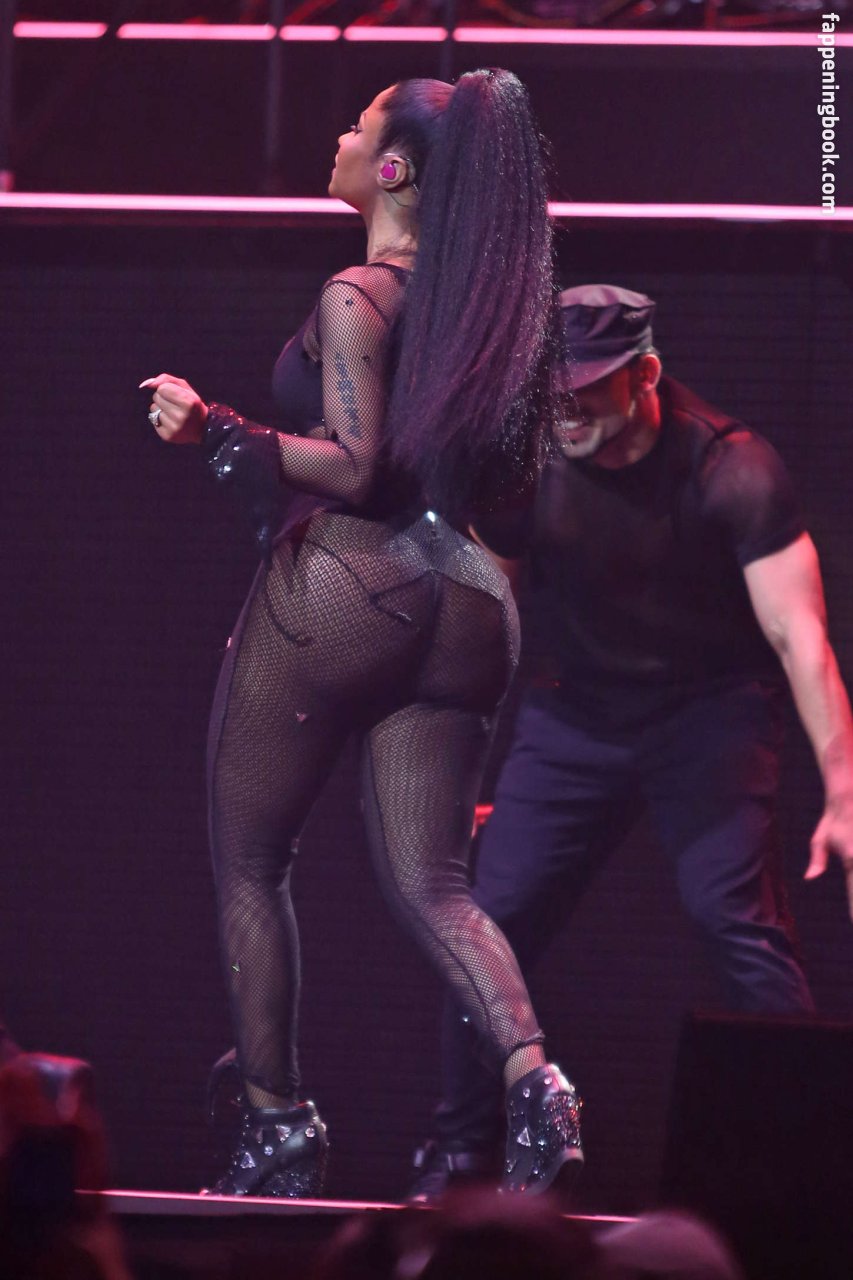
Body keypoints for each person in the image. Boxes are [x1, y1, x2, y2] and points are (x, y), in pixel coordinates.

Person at [139, 71, 583, 1198]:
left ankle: (276, 1123)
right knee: (438, 887)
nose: (335, 136)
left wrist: (215, 428)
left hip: (349, 583)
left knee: (251, 859)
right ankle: (536, 1083)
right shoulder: (490, 315)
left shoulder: (360, 294)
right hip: (468, 601)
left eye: (356, 124)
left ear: (392, 170)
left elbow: (352, 465)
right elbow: (512, 497)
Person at [409, 283, 853, 1199]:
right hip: (575, 716)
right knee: (486, 926)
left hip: (710, 716)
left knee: (737, 927)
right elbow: (483, 628)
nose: (564, 411)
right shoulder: (523, 466)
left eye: (585, 391)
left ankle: (808, 1166)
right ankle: (460, 1160)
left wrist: (846, 796)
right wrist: (450, 771)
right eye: (551, 391)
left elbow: (798, 639)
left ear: (644, 374)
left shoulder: (731, 468)